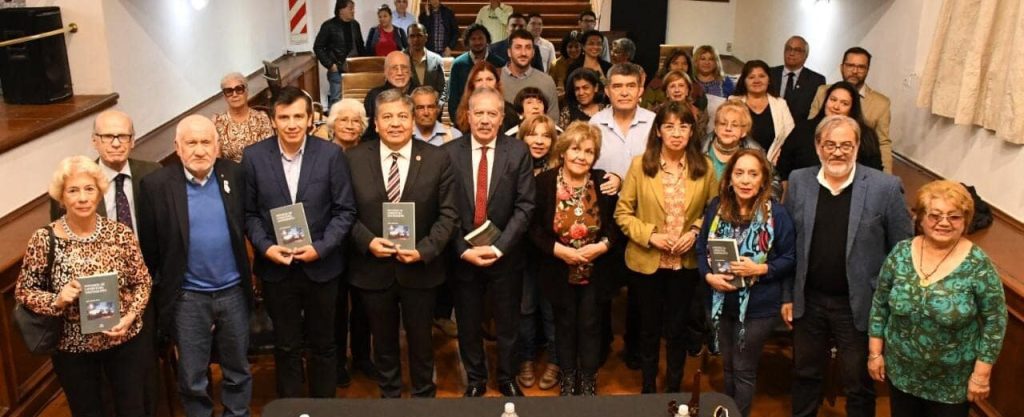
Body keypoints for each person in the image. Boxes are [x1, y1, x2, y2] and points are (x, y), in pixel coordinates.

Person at [782, 115, 913, 417]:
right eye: (830, 144)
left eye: (845, 145)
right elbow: (788, 247)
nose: (837, 151)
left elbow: (902, 253)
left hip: (859, 305)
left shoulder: (885, 187)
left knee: (858, 383)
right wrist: (788, 295)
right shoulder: (800, 181)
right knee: (804, 375)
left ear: (856, 147)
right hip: (808, 301)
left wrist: (887, 306)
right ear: (818, 147)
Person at [243, 86, 358, 398]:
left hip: (322, 267)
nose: (291, 124)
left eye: (298, 116)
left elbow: (345, 211)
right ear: (273, 121)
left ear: (311, 119)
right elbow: (249, 214)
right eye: (284, 117)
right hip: (277, 269)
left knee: (324, 345)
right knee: (287, 346)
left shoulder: (331, 156)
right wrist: (266, 247)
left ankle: (323, 407)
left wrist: (320, 248)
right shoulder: (253, 158)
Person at [18, 155, 152, 417]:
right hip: (73, 349)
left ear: (99, 192)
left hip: (124, 342)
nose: (82, 198)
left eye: (89, 189)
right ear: (61, 197)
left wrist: (130, 316)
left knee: (133, 409)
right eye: (73, 190)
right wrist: (57, 299)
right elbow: (24, 291)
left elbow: (142, 281)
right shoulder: (44, 239)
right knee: (87, 411)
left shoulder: (120, 234)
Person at [137, 115, 252, 417]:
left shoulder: (236, 175)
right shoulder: (156, 185)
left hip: (233, 292)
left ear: (217, 147)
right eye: (191, 142)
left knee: (238, 368)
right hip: (188, 297)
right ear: (177, 147)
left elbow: (250, 224)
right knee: (191, 376)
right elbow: (150, 249)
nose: (199, 150)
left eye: (205, 142)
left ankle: (236, 414)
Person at [346, 89, 458, 398]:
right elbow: (343, 212)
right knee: (382, 342)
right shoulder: (354, 159)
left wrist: (425, 249)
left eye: (402, 116)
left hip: (420, 269)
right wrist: (367, 242)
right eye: (387, 117)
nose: (395, 123)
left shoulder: (438, 158)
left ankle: (424, 395)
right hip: (373, 268)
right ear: (376, 124)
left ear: (412, 121)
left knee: (422, 341)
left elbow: (449, 214)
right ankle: (390, 395)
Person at [868, 180, 1007, 417]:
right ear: (920, 219)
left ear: (965, 221)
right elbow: (880, 305)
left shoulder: (978, 265)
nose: (943, 223)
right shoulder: (900, 253)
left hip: (951, 384)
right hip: (901, 373)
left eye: (953, 217)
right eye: (935, 215)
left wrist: (981, 375)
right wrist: (875, 354)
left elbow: (996, 321)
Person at [615, 103, 718, 393]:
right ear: (658, 131)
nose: (676, 133)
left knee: (677, 330)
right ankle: (648, 388)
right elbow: (622, 213)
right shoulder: (640, 164)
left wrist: (697, 231)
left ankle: (673, 388)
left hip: (684, 264)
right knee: (648, 330)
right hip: (647, 260)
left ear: (691, 131)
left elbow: (715, 212)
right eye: (669, 127)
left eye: (683, 127)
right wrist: (650, 236)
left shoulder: (704, 167)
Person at [441, 87, 536, 397]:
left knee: (508, 323)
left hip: (505, 256)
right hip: (463, 257)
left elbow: (525, 207)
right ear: (468, 116)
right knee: (468, 324)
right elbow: (444, 209)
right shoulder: (449, 153)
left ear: (501, 117)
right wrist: (462, 249)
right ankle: (476, 378)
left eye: (491, 114)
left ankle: (506, 377)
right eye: (478, 113)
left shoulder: (518, 152)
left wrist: (499, 247)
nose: (484, 120)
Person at [696, 148, 796, 417]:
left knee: (743, 369)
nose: (745, 180)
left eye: (753, 174)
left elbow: (789, 258)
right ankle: (728, 412)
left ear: (763, 180)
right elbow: (700, 248)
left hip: (758, 307)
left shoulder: (777, 214)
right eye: (739, 173)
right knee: (727, 365)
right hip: (719, 299)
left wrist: (761, 267)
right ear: (729, 178)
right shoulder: (716, 207)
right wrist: (708, 276)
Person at [529, 121, 620, 396]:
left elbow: (618, 224)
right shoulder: (543, 183)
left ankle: (589, 377)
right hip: (558, 268)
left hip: (596, 268)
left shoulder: (604, 181)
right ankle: (568, 376)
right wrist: (559, 251)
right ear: (563, 151)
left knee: (591, 324)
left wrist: (602, 246)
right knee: (564, 324)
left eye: (588, 152)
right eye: (575, 149)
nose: (581, 156)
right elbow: (532, 228)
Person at [319, 98, 376, 385]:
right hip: (333, 242)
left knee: (364, 304)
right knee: (337, 306)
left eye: (356, 121)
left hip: (364, 239)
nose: (350, 125)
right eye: (344, 120)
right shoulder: (322, 154)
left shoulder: (368, 153)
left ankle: (363, 356)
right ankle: (338, 360)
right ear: (333, 123)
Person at [50, 111, 162, 228]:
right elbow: (60, 234)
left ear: (132, 141)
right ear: (94, 141)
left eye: (123, 136)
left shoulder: (153, 173)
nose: (116, 144)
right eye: (107, 137)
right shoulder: (72, 184)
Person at [514, 115, 561, 391]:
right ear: (523, 138)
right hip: (520, 252)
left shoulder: (560, 169)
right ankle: (526, 360)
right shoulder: (512, 166)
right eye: (533, 134)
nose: (539, 141)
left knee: (551, 310)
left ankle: (555, 361)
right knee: (525, 308)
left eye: (545, 135)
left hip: (552, 252)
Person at [776, 81, 883, 181]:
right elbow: (783, 166)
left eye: (844, 103)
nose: (836, 107)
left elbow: (874, 174)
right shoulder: (803, 129)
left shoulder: (865, 135)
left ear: (852, 108)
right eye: (833, 100)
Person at [809, 47, 893, 173]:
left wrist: (886, 178)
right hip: (820, 162)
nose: (854, 71)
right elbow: (811, 127)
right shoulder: (823, 92)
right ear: (842, 67)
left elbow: (883, 143)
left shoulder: (881, 103)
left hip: (860, 166)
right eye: (850, 65)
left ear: (867, 70)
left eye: (861, 67)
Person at [729, 60, 795, 164]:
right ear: (744, 81)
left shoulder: (780, 104)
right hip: (736, 163)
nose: (757, 80)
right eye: (751, 77)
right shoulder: (733, 102)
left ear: (769, 80)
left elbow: (790, 136)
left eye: (762, 76)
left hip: (772, 166)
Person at [313, 0, 366, 109]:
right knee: (336, 101)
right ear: (341, 10)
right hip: (337, 71)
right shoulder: (328, 26)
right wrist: (330, 65)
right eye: (350, 8)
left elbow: (360, 46)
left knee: (355, 101)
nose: (353, 11)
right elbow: (318, 47)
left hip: (355, 70)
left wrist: (363, 65)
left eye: (353, 8)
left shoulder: (355, 25)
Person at [447, 24, 503, 124]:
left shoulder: (499, 62)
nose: (477, 42)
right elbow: (453, 99)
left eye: (481, 38)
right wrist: (459, 122)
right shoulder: (458, 64)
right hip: (465, 119)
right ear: (467, 42)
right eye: (473, 39)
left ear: (487, 40)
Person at [500, 29, 559, 122]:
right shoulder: (495, 78)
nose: (523, 53)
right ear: (509, 52)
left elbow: (553, 122)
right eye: (518, 47)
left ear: (533, 52)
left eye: (528, 47)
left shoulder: (546, 81)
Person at [212, 72, 273, 162]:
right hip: (231, 173)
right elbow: (217, 160)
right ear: (224, 96)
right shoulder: (218, 123)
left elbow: (269, 151)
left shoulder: (261, 118)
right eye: (229, 91)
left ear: (246, 92)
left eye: (239, 89)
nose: (235, 94)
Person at [701, 100, 766, 181]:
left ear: (743, 131)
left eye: (734, 125)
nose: (728, 128)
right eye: (723, 123)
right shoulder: (699, 148)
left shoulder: (755, 150)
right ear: (716, 127)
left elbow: (773, 182)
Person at [363, 51, 419, 140]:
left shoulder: (421, 95)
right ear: (385, 72)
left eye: (404, 67)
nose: (400, 73)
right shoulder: (374, 96)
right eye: (394, 68)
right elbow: (368, 132)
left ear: (411, 71)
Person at [769, 36, 826, 122]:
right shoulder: (770, 73)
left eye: (797, 50)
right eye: (788, 49)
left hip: (800, 129)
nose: (791, 53)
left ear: (806, 55)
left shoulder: (816, 80)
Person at [453, 60, 519, 135]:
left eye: (489, 79)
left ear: (497, 83)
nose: (484, 84)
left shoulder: (510, 112)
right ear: (472, 85)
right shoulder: (462, 113)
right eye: (479, 80)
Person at [406, 23, 447, 113]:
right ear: (407, 39)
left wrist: (439, 106)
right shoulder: (401, 59)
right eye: (412, 36)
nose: (416, 39)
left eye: (419, 35)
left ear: (426, 37)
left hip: (432, 112)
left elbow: (443, 87)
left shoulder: (436, 59)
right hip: (408, 113)